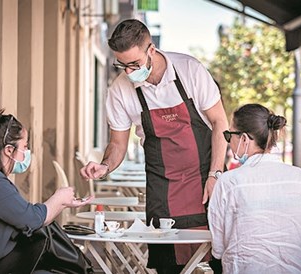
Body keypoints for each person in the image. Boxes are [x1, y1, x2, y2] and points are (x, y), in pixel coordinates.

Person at [80, 19, 228, 273]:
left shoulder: (189, 70)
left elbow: (220, 124)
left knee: (216, 258)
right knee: (167, 264)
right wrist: (104, 166)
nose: (127, 72)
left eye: (134, 64)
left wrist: (216, 174)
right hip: (163, 187)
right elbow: (117, 144)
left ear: (151, 50)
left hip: (206, 180)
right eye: (122, 65)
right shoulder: (120, 91)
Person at [0, 105, 93, 274]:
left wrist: (62, 202)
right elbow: (32, 219)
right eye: (25, 147)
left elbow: (29, 217)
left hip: (4, 262)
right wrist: (58, 198)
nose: (27, 153)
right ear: (8, 150)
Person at [208, 103, 301, 274]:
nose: (228, 140)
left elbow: (218, 248)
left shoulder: (228, 183)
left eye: (228, 134)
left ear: (244, 139)